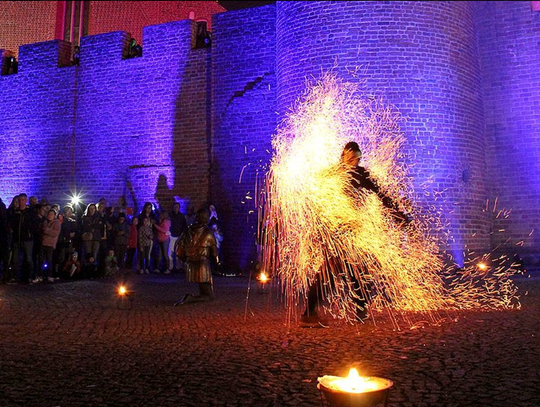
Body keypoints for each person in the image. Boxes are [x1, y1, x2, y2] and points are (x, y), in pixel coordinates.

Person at [300, 142, 409, 327]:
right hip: (336, 232)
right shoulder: (333, 174)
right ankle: (312, 313)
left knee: (355, 268)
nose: (354, 161)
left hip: (351, 230)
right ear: (344, 156)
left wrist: (398, 214)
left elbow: (381, 194)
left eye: (356, 157)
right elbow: (315, 189)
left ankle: (358, 308)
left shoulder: (361, 174)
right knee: (335, 270)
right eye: (350, 157)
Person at [174, 208, 218, 305]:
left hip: (190, 263)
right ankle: (190, 298)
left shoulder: (187, 231)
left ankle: (194, 297)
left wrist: (186, 259)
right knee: (209, 295)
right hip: (203, 264)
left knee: (204, 289)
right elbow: (215, 253)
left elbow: (178, 250)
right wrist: (217, 262)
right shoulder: (208, 232)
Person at [41, 209, 61, 283]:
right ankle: (42, 275)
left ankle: (49, 275)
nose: (50, 216)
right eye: (49, 214)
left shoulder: (57, 223)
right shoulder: (45, 222)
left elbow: (55, 233)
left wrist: (47, 230)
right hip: (43, 243)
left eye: (52, 214)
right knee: (42, 260)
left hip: (50, 244)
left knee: (49, 260)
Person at [169, 202, 187, 272]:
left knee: (178, 252)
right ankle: (170, 266)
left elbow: (184, 226)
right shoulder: (170, 215)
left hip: (179, 236)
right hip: (171, 235)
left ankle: (178, 267)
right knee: (170, 252)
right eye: (175, 207)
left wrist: (182, 235)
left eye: (177, 207)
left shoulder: (182, 216)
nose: (176, 208)